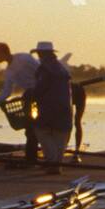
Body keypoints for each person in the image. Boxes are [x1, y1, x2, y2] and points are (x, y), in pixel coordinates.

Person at [0, 42, 40, 165]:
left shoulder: (24, 58)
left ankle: (34, 157)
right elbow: (6, 92)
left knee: (36, 127)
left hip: (41, 95)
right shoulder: (9, 72)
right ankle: (31, 157)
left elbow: (41, 71)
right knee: (30, 129)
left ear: (4, 52)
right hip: (29, 98)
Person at [28, 41, 72, 175]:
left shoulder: (44, 69)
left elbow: (40, 89)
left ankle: (52, 162)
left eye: (40, 54)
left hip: (49, 108)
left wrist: (29, 94)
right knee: (61, 135)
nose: (39, 57)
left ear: (42, 54)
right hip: (65, 108)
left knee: (42, 131)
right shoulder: (62, 69)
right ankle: (57, 164)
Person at [72, 80, 87, 153]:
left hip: (79, 92)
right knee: (67, 122)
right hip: (66, 92)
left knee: (77, 122)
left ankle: (77, 150)